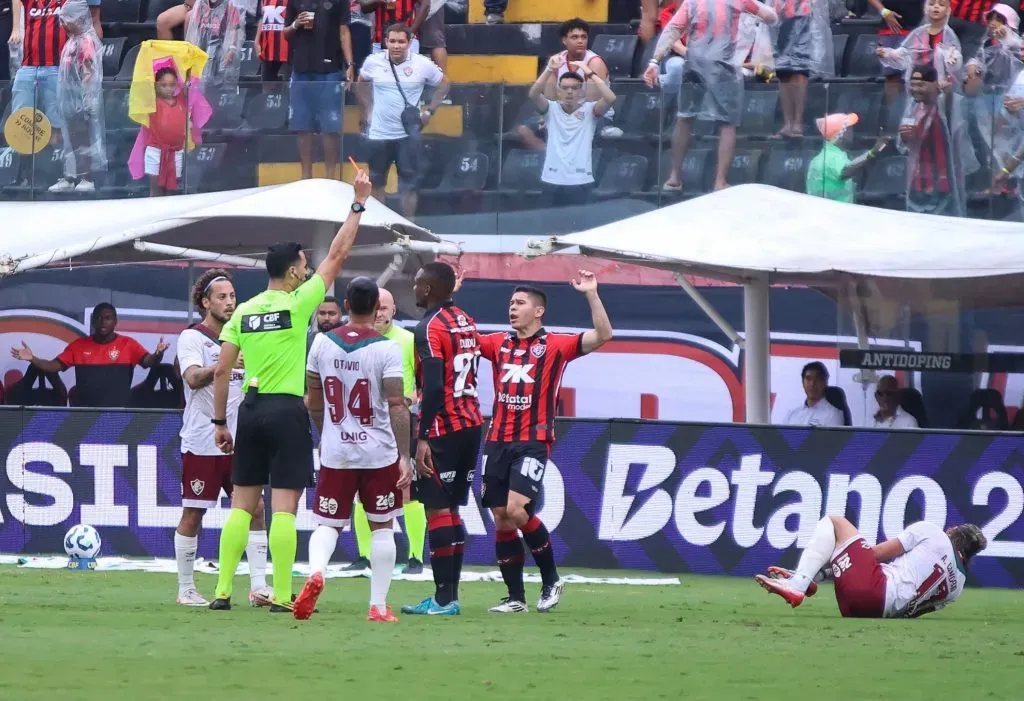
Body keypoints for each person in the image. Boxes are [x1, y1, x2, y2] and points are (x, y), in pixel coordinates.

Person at [207, 169, 373, 613]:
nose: (307, 268)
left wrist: (221, 421)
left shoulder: (242, 311)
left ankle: (222, 591)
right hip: (286, 410)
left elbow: (223, 370)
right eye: (303, 264)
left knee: (241, 506)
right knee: (283, 509)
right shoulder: (299, 304)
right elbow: (338, 253)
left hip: (250, 409)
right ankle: (281, 593)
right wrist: (358, 203)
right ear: (295, 270)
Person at [478, 272, 612, 613]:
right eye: (511, 303)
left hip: (533, 441)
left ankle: (551, 579)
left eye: (520, 303)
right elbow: (459, 339)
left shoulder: (556, 346)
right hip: (496, 441)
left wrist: (592, 294)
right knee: (501, 517)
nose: (513, 308)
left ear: (538, 312)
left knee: (514, 509)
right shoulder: (497, 343)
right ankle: (516, 598)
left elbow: (604, 335)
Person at [297, 277, 413, 622]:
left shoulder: (320, 343)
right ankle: (378, 606)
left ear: (346, 305)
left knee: (327, 524)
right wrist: (404, 455)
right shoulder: (387, 348)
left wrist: (325, 433)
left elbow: (314, 400)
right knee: (382, 526)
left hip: (336, 451)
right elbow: (396, 404)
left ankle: (316, 572)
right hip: (378, 452)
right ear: (378, 308)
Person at [173, 269, 271, 607]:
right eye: (222, 297)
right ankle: (186, 589)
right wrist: (225, 364)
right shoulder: (192, 338)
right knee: (194, 515)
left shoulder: (242, 335)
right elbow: (192, 378)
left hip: (241, 439)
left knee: (256, 508)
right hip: (203, 439)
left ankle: (259, 586)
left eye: (232, 296)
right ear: (205, 302)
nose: (230, 302)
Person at [400, 262, 484, 616]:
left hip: (444, 427)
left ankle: (443, 599)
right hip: (471, 421)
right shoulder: (465, 319)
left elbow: (433, 386)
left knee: (437, 509)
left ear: (430, 289)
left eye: (418, 283)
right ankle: (449, 597)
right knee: (451, 509)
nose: (414, 288)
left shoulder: (427, 328)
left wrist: (422, 438)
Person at [644, 0, 778, 191]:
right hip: (725, 65)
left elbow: (673, 28)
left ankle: (675, 177)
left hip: (694, 62)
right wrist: (753, 12)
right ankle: (720, 181)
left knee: (685, 117)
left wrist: (654, 61)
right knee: (727, 123)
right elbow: (771, 17)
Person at [755, 517, 987, 618]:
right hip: (871, 611)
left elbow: (874, 555)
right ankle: (804, 580)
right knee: (850, 551)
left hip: (871, 591)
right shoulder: (958, 587)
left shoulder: (933, 532)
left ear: (954, 532)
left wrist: (823, 570)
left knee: (835, 522)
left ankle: (798, 584)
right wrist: (823, 574)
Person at [349, 287, 427, 574]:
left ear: (394, 311)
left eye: (385, 307)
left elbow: (423, 383)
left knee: (406, 490)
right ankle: (363, 557)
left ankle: (416, 557)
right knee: (362, 490)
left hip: (399, 424)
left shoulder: (409, 340)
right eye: (376, 306)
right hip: (364, 425)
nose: (380, 312)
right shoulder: (355, 341)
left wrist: (410, 400)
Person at [358, 23, 448, 217]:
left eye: (401, 41)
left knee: (409, 185)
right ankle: (380, 224)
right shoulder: (373, 61)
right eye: (392, 41)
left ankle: (408, 227)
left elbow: (444, 85)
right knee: (376, 182)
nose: (396, 46)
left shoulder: (422, 64)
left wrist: (429, 111)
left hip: (408, 134)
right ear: (385, 42)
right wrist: (368, 109)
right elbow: (361, 82)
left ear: (410, 43)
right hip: (378, 133)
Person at [8, 0, 102, 186]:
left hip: (57, 68)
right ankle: (22, 175)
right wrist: (15, 28)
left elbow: (85, 19)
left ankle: (65, 174)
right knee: (20, 121)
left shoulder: (68, 2)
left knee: (60, 126)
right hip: (27, 67)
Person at [10, 303, 168, 408]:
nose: (102, 322)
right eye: (98, 318)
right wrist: (33, 358)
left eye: (107, 318)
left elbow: (148, 362)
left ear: (115, 321)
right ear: (93, 321)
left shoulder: (128, 344)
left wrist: (158, 354)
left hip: (119, 414)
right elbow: (53, 366)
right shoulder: (79, 345)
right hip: (85, 415)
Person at [528, 56, 616, 206]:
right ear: (558, 90)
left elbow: (610, 98)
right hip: (551, 179)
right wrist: (549, 70)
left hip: (580, 180)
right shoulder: (551, 109)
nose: (569, 92)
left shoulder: (590, 111)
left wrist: (589, 73)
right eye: (565, 87)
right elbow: (533, 94)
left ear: (582, 92)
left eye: (574, 88)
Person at [283, 0, 353, 180]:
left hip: (330, 69)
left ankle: (331, 177)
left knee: (331, 127)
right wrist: (296, 24)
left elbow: (344, 31)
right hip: (301, 69)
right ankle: (306, 176)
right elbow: (286, 33)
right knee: (302, 125)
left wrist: (350, 64)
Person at [898, 63, 973, 216]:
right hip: (918, 181)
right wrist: (904, 138)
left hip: (945, 181)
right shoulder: (913, 107)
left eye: (921, 85)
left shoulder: (946, 103)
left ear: (935, 84)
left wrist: (948, 94)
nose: (915, 89)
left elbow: (954, 116)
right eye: (912, 85)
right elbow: (903, 145)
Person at [49, 0, 105, 194]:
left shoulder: (86, 41)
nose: (63, 24)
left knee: (83, 140)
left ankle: (87, 178)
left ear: (78, 18)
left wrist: (88, 99)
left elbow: (89, 72)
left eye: (67, 20)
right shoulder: (71, 41)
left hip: (81, 101)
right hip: (69, 101)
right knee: (70, 140)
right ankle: (70, 176)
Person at [772, 0, 834, 138]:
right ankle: (787, 123)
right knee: (783, 72)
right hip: (781, 17)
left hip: (805, 16)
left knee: (800, 71)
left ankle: (797, 123)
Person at [806, 113, 890, 202]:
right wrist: (873, 152)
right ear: (840, 134)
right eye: (849, 129)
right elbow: (845, 171)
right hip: (832, 213)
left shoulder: (830, 154)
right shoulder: (830, 157)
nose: (852, 132)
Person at [185, 0, 246, 90]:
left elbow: (234, 28)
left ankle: (216, 93)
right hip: (203, 44)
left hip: (221, 44)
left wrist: (232, 49)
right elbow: (195, 27)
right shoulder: (201, 3)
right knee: (202, 74)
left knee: (218, 75)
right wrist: (192, 47)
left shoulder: (230, 4)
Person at [781, 361, 845, 426]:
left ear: (825, 382)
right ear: (803, 382)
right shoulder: (792, 414)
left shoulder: (834, 414)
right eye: (808, 379)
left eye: (818, 379)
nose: (812, 384)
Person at [256, 0, 289, 83]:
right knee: (267, 85)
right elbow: (261, 18)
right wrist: (257, 40)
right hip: (267, 48)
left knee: (287, 87)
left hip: (288, 49)